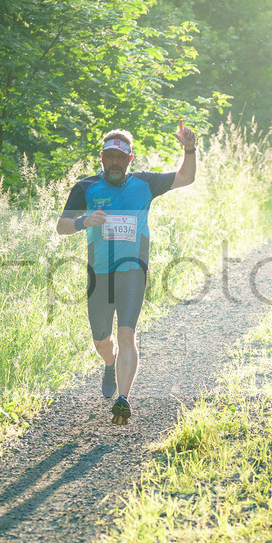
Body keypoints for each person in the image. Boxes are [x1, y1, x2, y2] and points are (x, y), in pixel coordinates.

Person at [57, 121, 197, 424]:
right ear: (102, 158)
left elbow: (186, 178)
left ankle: (123, 398)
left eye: (121, 157)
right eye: (110, 156)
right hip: (99, 273)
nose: (116, 162)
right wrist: (84, 221)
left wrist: (189, 148)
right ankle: (109, 364)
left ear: (130, 159)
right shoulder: (85, 187)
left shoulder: (145, 183)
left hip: (133, 269)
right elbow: (61, 227)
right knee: (101, 340)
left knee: (127, 333)